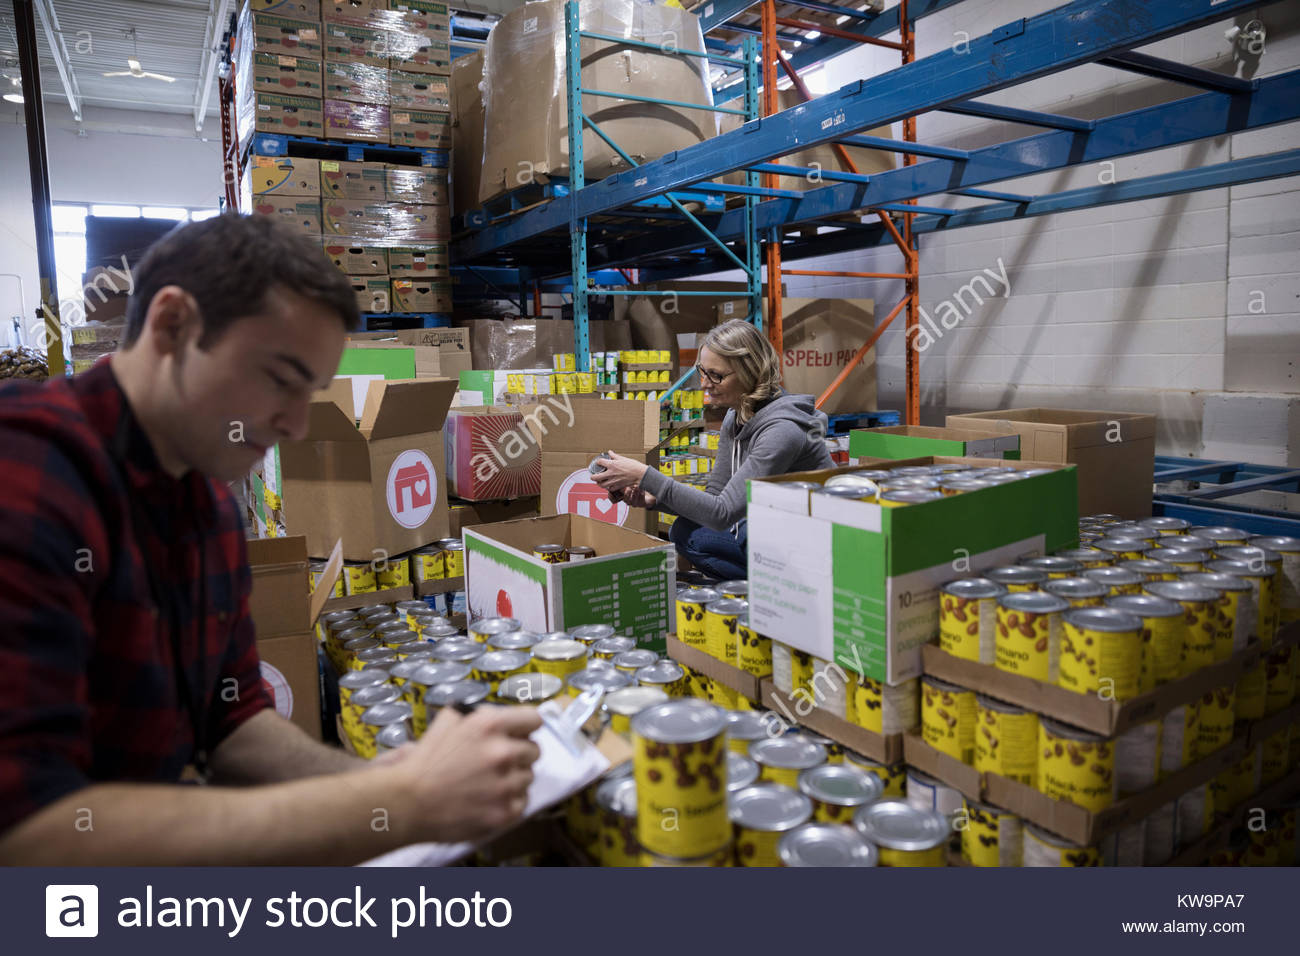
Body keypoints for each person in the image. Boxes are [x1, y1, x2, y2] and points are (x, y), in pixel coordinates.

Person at [0, 215, 540, 865]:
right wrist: (400, 805)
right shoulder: (26, 473)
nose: (294, 423)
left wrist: (384, 782)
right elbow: (33, 830)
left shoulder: (208, 506)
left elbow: (231, 723)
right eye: (281, 380)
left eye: (311, 393)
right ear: (173, 327)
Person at [593, 319, 832, 580]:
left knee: (692, 537)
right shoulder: (736, 414)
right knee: (685, 529)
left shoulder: (783, 431)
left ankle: (777, 590)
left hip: (810, 542)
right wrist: (654, 500)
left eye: (716, 375)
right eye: (702, 372)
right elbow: (716, 495)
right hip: (773, 524)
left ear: (750, 372)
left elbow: (722, 514)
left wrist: (644, 475)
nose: (704, 384)